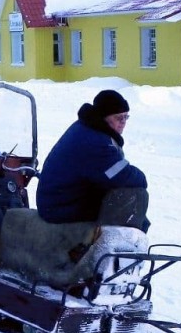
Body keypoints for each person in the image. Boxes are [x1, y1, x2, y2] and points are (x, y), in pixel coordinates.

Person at [36, 90, 150, 232]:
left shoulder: (88, 127)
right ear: (104, 117)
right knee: (132, 201)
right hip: (58, 206)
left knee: (126, 203)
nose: (123, 123)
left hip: (63, 198)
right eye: (118, 118)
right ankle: (114, 251)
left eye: (126, 117)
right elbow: (122, 176)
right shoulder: (94, 141)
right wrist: (143, 178)